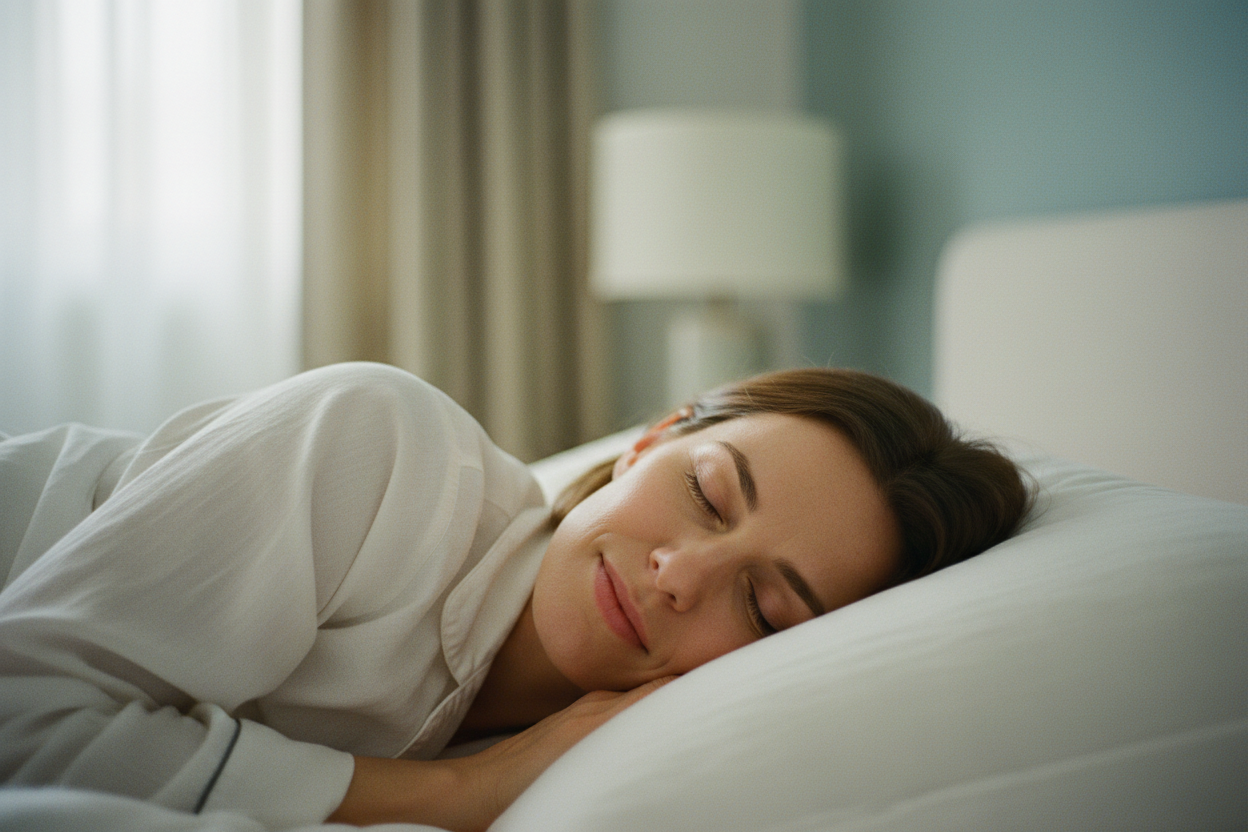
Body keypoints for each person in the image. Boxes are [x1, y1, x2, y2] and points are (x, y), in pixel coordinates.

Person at [0, 362, 1029, 831]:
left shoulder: (613, 755)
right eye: (707, 492)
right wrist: (450, 798)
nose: (679, 575)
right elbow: (20, 720)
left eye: (764, 610)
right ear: (649, 442)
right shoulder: (387, 446)